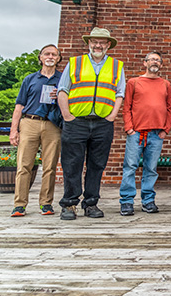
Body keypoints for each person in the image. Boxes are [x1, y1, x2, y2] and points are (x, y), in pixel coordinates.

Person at [57, 27, 125, 220]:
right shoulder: (75, 63)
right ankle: (69, 204)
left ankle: (91, 203)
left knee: (97, 164)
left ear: (108, 45)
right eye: (94, 42)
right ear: (88, 43)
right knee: (72, 163)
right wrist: (67, 115)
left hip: (102, 123)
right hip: (76, 121)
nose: (98, 45)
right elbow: (63, 90)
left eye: (102, 42)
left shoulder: (116, 66)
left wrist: (112, 116)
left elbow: (120, 93)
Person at [9, 44, 63, 217]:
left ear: (58, 59)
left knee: (50, 166)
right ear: (40, 57)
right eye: (47, 54)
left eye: (54, 54)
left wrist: (60, 97)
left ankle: (46, 203)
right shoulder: (30, 79)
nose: (50, 57)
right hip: (29, 122)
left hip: (52, 125)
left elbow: (71, 104)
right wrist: (13, 130)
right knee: (24, 165)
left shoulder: (63, 79)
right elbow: (19, 105)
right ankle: (19, 204)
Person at [119, 51, 171, 215]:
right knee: (130, 166)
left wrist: (165, 129)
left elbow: (169, 108)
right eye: (151, 60)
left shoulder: (165, 84)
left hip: (157, 133)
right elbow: (126, 107)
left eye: (158, 60)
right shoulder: (134, 82)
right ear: (145, 63)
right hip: (137, 132)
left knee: (151, 168)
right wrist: (129, 128)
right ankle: (127, 201)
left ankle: (148, 200)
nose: (155, 62)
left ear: (161, 65)